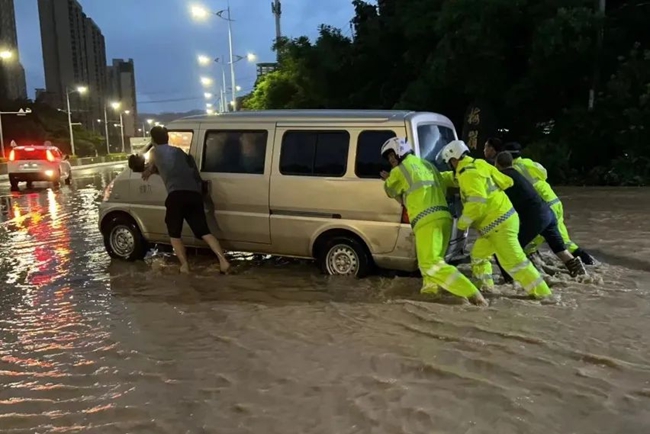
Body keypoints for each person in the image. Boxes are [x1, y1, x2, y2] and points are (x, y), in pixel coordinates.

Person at [380, 137, 488, 306]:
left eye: (392, 155)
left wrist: (387, 179)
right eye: (388, 158)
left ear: (400, 151)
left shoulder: (399, 170)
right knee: (433, 262)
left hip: (426, 220)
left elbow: (390, 191)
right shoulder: (428, 165)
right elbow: (442, 187)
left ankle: (472, 293)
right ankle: (430, 295)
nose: (391, 160)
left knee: (430, 263)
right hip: (444, 218)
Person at [439, 140, 552, 299]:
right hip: (497, 224)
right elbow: (507, 181)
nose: (449, 165)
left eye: (449, 162)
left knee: (515, 263)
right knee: (478, 256)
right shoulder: (478, 164)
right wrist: (436, 177)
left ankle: (544, 295)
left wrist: (463, 224)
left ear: (453, 159)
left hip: (498, 225)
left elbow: (476, 202)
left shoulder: (468, 174)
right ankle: (486, 289)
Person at [142, 126, 231, 274]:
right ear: (167, 138)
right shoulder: (180, 152)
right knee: (204, 232)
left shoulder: (154, 152)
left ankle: (184, 266)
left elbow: (152, 167)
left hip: (176, 195)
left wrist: (148, 171)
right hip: (194, 194)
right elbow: (191, 170)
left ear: (153, 140)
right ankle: (223, 261)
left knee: (174, 234)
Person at [494, 151, 587, 277]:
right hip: (548, 214)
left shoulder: (503, 178)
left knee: (506, 249)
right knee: (560, 249)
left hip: (536, 218)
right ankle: (581, 274)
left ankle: (511, 280)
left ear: (497, 164)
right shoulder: (518, 174)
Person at [504, 142, 595, 265]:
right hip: (554, 201)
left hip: (542, 206)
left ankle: (534, 270)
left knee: (528, 242)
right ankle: (589, 264)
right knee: (563, 240)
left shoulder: (512, 169)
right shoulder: (530, 163)